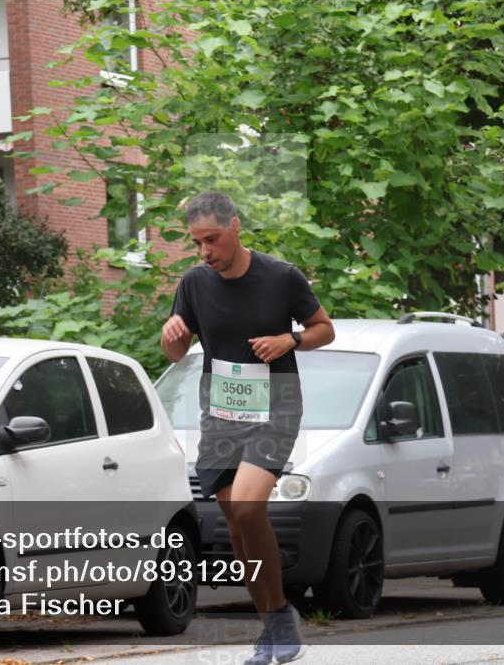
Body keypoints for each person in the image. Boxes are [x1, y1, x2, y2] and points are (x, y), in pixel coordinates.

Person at [161, 191, 335, 665]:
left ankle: (279, 622)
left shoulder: (280, 277)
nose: (204, 252)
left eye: (212, 240)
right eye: (197, 242)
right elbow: (176, 351)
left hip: (275, 406)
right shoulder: (194, 283)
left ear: (235, 228)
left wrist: (289, 339)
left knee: (246, 504)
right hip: (220, 413)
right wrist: (171, 336)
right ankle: (275, 623)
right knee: (236, 523)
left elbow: (325, 329)